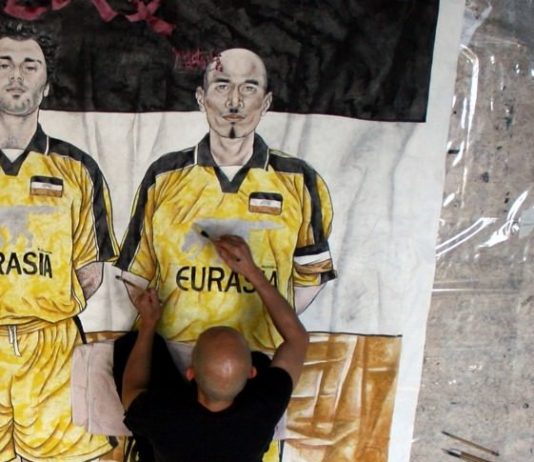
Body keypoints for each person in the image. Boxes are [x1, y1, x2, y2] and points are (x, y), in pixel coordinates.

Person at [116, 47, 336, 352]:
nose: (235, 101)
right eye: (222, 86)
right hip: (173, 351)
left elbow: (311, 276)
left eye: (249, 87)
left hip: (255, 357)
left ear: (266, 102)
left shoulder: (299, 179)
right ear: (201, 98)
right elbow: (135, 275)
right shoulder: (164, 174)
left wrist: (261, 332)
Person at [0, 20, 118, 461]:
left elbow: (90, 271)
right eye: (3, 64)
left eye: (29, 65)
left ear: (47, 84)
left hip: (50, 348)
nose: (16, 75)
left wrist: (41, 303)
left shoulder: (77, 167)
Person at [117, 235, 309, 462]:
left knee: (131, 347)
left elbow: (131, 392)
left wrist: (148, 325)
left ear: (190, 373)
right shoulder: (262, 410)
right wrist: (253, 274)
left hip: (169, 436)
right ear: (251, 373)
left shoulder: (163, 416)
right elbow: (298, 339)